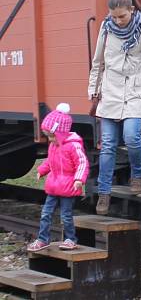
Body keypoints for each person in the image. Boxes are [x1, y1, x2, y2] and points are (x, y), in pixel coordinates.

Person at [88, 0, 141, 215]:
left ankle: (137, 174)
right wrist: (94, 90)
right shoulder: (106, 28)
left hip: (135, 93)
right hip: (110, 92)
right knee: (108, 144)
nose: (118, 21)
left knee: (131, 136)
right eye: (114, 17)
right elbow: (98, 61)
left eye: (122, 16)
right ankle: (104, 193)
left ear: (131, 10)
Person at [27, 103, 88, 252]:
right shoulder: (53, 146)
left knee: (66, 215)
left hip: (68, 187)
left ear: (60, 133)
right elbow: (50, 161)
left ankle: (70, 239)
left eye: (52, 136)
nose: (50, 139)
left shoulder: (73, 146)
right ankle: (43, 239)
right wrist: (42, 170)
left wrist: (79, 179)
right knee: (45, 213)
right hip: (53, 186)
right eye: (48, 136)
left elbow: (82, 162)